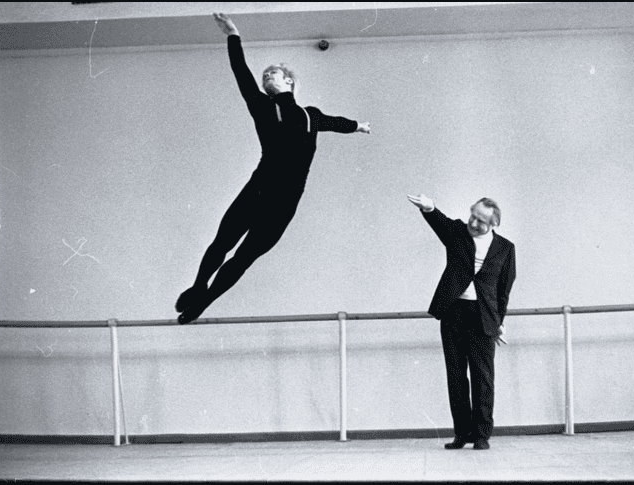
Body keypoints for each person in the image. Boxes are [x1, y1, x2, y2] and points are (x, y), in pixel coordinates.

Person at [176, 13, 371, 324]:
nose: (267, 74)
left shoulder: (310, 115)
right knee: (222, 243)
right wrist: (233, 35)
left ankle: (204, 302)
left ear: (289, 81)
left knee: (244, 257)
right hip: (258, 188)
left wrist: (358, 125)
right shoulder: (261, 105)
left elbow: (337, 123)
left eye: (274, 72)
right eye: (265, 73)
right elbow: (240, 72)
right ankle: (199, 287)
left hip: (284, 203)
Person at [407, 193, 516, 450]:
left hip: (483, 317)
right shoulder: (457, 233)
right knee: (456, 376)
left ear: (494, 224)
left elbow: (504, 290)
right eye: (473, 216)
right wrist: (429, 208)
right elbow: (440, 222)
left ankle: (481, 435)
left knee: (483, 378)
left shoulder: (505, 248)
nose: (474, 223)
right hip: (454, 313)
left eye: (481, 221)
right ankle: (461, 434)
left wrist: (497, 322)